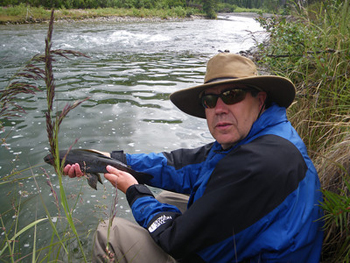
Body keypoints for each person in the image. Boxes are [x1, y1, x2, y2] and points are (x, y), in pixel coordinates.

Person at [64, 52, 324, 262]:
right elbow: (180, 165)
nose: (219, 109)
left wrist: (135, 191)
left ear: (260, 99)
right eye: (210, 100)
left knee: (109, 233)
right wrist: (109, 160)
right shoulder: (261, 138)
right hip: (257, 244)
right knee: (167, 199)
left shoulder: (258, 163)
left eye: (232, 96)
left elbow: (176, 240)